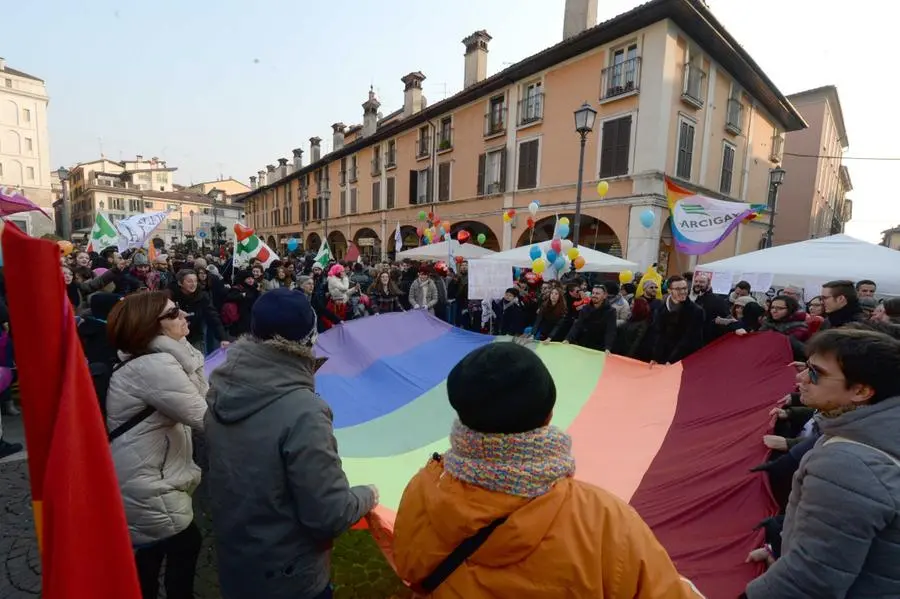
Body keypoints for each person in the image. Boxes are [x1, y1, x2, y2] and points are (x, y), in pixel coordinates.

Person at [392, 342, 704, 598]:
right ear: (549, 413)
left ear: (461, 414)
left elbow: (411, 570)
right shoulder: (604, 520)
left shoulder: (423, 489)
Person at [204, 289, 378, 599]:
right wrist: (369, 494)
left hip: (238, 563)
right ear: (309, 340)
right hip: (290, 577)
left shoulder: (221, 386)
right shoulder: (304, 411)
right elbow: (330, 515)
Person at [744, 328, 900, 598]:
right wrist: (781, 548)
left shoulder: (847, 464)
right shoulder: (868, 436)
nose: (800, 377)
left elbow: (808, 584)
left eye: (815, 373)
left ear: (861, 390)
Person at [105, 291, 208, 599]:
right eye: (173, 313)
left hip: (145, 471)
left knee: (150, 553)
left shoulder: (162, 355)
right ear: (152, 326)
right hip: (146, 479)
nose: (183, 315)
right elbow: (205, 415)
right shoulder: (156, 365)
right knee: (184, 544)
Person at [649, 275, 704, 364]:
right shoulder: (661, 308)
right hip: (663, 358)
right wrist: (655, 357)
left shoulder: (696, 311)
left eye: (685, 288)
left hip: (683, 360)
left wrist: (672, 360)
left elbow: (689, 339)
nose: (683, 292)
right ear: (669, 290)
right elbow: (659, 334)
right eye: (678, 289)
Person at [563, 284, 617, 351]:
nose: (594, 295)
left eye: (597, 293)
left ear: (605, 296)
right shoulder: (585, 308)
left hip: (600, 347)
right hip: (583, 345)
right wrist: (568, 339)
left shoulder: (611, 311)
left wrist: (608, 347)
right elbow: (577, 325)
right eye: (593, 293)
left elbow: (610, 331)